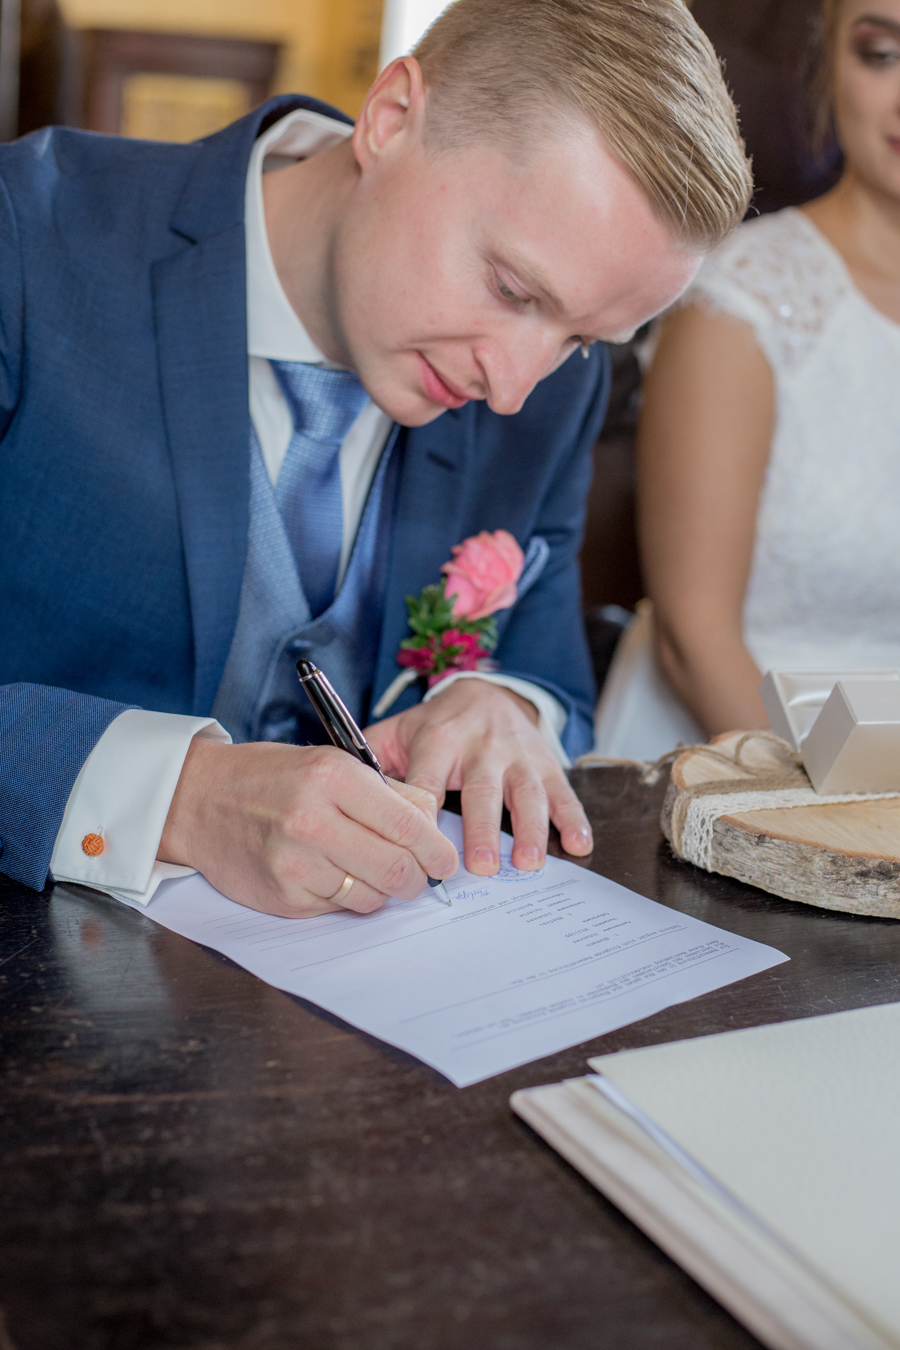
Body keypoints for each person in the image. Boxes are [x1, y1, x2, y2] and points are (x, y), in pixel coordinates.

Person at [0, 0, 750, 918]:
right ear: (391, 117)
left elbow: (546, 664)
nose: (514, 388)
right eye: (511, 288)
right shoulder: (23, 245)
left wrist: (502, 705)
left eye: (587, 339)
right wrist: (185, 797)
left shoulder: (548, 388)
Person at [595, 0, 900, 761]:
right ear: (829, 65)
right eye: (881, 53)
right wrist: (832, 818)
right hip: (743, 767)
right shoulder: (745, 299)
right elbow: (693, 642)